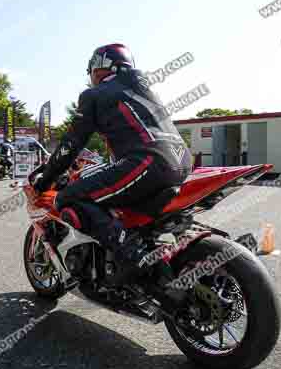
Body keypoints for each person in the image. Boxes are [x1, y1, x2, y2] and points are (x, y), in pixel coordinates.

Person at [28, 43, 192, 287]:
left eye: (90, 70)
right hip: (181, 162)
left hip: (147, 162)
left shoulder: (95, 94)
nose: (90, 76)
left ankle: (130, 253)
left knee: (67, 198)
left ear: (99, 67)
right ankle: (146, 248)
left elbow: (71, 143)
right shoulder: (143, 89)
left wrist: (47, 178)